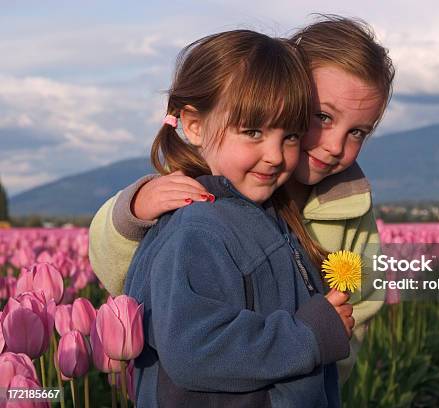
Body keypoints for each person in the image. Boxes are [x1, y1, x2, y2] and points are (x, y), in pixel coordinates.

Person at [89, 15, 395, 385]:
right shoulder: (201, 194)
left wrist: (321, 377)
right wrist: (134, 211)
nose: (335, 147)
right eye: (322, 117)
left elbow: (360, 305)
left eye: (358, 132)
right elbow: (123, 277)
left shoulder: (350, 206)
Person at [123, 30, 355, 407]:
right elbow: (194, 348)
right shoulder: (198, 229)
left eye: (291, 136)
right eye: (253, 132)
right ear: (194, 125)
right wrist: (309, 335)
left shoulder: (262, 213)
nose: (275, 155)